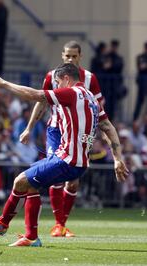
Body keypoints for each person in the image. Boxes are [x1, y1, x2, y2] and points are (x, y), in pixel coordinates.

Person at [0, 64, 129, 247]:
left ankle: (15, 229)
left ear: (66, 79)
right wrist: (117, 158)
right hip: (77, 162)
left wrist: (2, 83)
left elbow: (35, 95)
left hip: (66, 161)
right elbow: (108, 127)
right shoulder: (92, 98)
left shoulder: (71, 93)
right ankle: (14, 229)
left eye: (58, 83)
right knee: (28, 184)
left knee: (21, 180)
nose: (57, 87)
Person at [19, 41, 110, 237]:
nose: (70, 59)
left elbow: (98, 108)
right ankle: (58, 225)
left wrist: (101, 135)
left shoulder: (90, 79)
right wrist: (29, 128)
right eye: (67, 56)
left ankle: (61, 224)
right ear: (62, 56)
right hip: (56, 130)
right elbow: (41, 101)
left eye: (74, 56)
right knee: (55, 174)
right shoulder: (52, 76)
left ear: (80, 57)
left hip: (78, 132)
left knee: (74, 181)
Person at [133, 41, 147, 121]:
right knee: (140, 101)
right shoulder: (141, 57)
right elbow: (141, 67)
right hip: (142, 81)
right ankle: (136, 118)